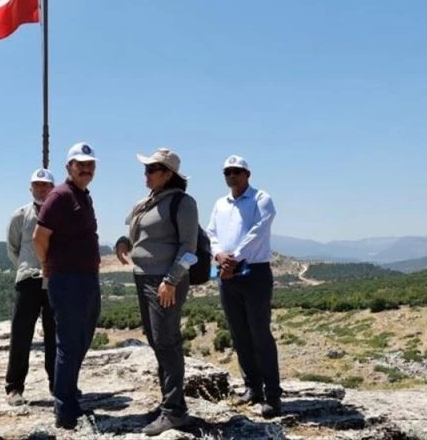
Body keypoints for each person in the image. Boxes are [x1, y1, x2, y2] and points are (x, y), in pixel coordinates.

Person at [114, 148, 196, 436]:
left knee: (166, 342)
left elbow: (188, 248)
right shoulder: (150, 202)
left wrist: (171, 280)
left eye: (151, 169)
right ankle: (169, 404)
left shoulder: (183, 203)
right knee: (157, 341)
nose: (145, 174)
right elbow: (143, 238)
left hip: (164, 280)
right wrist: (124, 241)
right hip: (144, 277)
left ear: (168, 174)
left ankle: (174, 412)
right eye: (146, 169)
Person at [206, 155, 282, 418]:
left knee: (260, 333)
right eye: (227, 172)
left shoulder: (261, 199)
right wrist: (219, 255)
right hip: (226, 273)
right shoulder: (220, 204)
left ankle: (273, 396)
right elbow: (211, 233)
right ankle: (252, 388)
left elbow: (257, 233)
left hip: (254, 272)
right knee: (239, 333)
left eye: (237, 171)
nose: (232, 176)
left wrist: (233, 259)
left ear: (247, 174)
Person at [33, 142, 101, 430]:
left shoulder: (83, 196)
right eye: (80, 164)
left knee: (81, 341)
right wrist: (48, 264)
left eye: (89, 165)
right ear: (68, 167)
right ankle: (64, 409)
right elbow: (39, 236)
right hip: (67, 280)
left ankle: (70, 397)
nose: (85, 169)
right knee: (69, 344)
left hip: (87, 278)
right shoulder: (60, 196)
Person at [4, 168, 57, 406]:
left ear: (53, 188)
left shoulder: (60, 215)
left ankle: (57, 384)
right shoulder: (20, 215)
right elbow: (12, 247)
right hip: (29, 280)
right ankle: (14, 387)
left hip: (54, 281)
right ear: (30, 188)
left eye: (45, 185)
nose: (41, 189)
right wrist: (26, 268)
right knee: (21, 334)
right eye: (37, 185)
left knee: (54, 335)